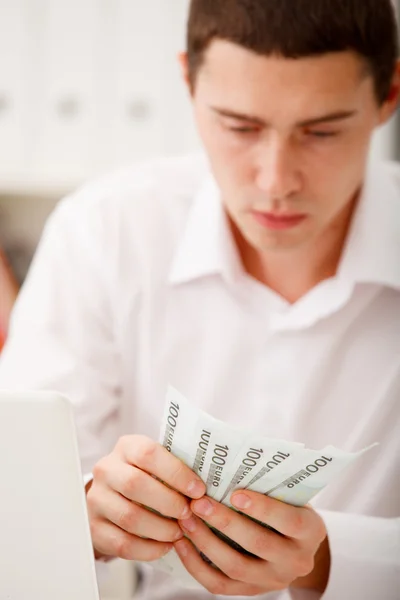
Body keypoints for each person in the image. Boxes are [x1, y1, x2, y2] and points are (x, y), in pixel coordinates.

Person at [0, 0, 399, 598]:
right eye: (240, 128)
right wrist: (87, 514)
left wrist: (327, 559)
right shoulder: (104, 231)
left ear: (389, 96)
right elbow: (14, 494)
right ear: (187, 82)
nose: (275, 180)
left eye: (321, 132)